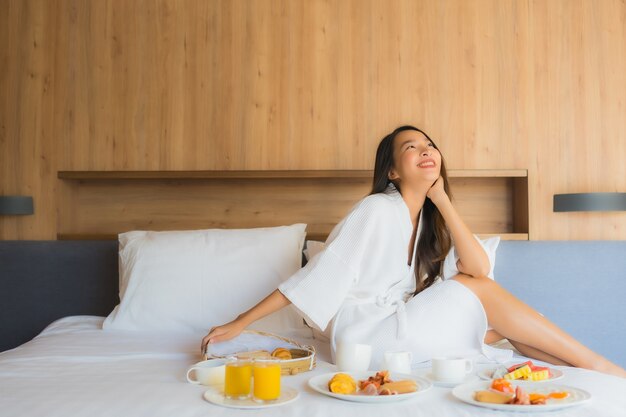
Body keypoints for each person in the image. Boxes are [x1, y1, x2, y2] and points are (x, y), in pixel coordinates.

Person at [201, 125, 626, 377]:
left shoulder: (428, 220)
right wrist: (240, 322)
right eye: (411, 148)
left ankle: (590, 374)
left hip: (392, 330)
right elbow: (318, 276)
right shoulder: (375, 210)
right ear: (391, 171)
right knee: (481, 296)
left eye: (428, 145)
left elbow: (478, 265)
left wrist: (442, 201)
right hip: (365, 338)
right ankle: (608, 369)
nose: (425, 150)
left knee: (506, 328)